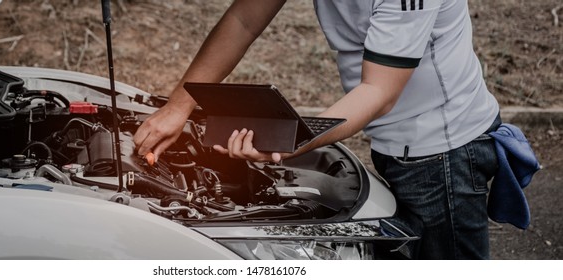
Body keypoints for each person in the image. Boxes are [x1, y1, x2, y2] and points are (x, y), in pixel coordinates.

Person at [133, 0, 500, 259]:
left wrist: (291, 141)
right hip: (395, 142)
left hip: (444, 152)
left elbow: (379, 91)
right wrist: (178, 105)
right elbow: (244, 18)